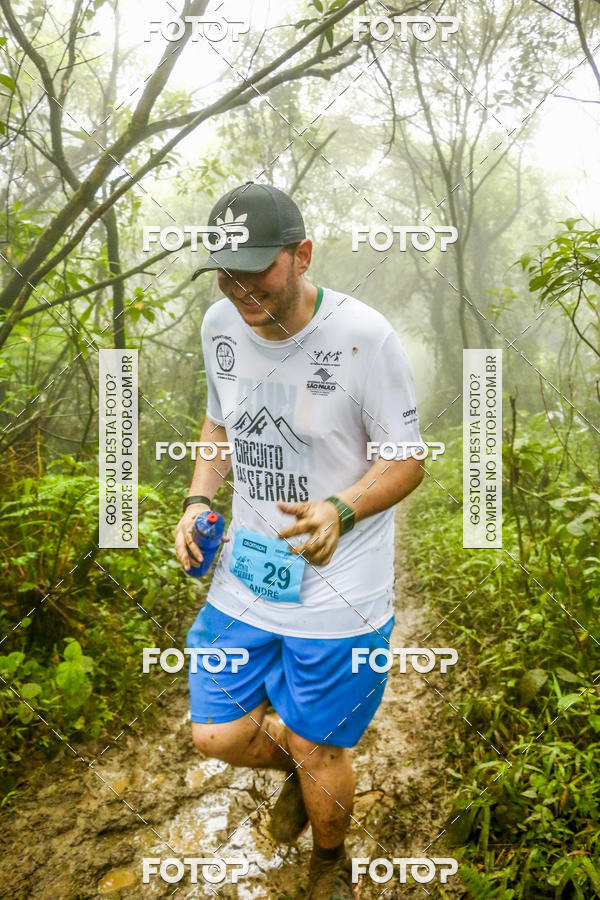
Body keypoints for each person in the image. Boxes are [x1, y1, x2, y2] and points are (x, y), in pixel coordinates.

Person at [174, 182, 424, 900]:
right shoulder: (220, 321)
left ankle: (328, 863)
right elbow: (220, 421)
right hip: (248, 574)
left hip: (341, 589)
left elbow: (406, 455)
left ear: (302, 254)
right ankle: (297, 770)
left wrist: (340, 510)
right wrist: (197, 498)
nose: (240, 286)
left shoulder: (364, 337)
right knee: (216, 734)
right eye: (226, 270)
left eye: (258, 267)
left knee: (324, 745)